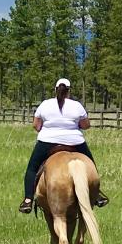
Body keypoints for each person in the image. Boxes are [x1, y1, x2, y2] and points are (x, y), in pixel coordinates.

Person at [19, 78, 109, 213]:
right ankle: (96, 194)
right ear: (69, 91)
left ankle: (27, 200)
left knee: (32, 168)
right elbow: (86, 125)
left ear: (55, 90)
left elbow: (36, 125)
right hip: (75, 142)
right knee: (91, 164)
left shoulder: (45, 104)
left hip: (47, 141)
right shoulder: (77, 105)